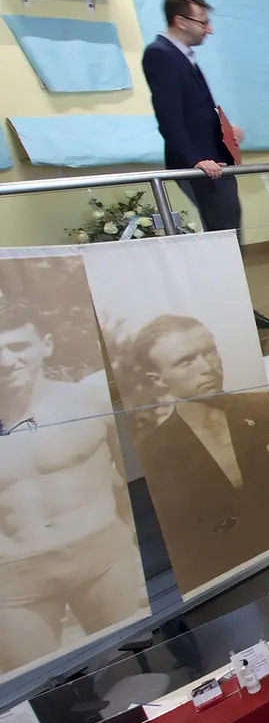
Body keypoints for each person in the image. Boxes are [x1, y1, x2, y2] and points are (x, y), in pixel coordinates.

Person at [0, 287, 147, 672]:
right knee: (40, 690)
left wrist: (132, 545)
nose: (5, 360)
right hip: (13, 582)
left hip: (102, 558)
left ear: (45, 345)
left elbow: (131, 478)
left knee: (130, 670)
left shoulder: (89, 403)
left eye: (18, 346)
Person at [141, 0, 269, 331]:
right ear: (180, 20)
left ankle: (235, 310)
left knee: (229, 239)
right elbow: (169, 118)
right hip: (201, 167)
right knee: (223, 241)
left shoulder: (182, 54)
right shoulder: (160, 54)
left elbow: (195, 111)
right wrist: (195, 160)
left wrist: (225, 130)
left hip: (214, 161)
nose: (209, 29)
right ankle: (229, 315)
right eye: (203, 22)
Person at [132, 314, 269, 592]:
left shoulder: (264, 409)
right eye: (185, 361)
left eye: (209, 352)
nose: (206, 368)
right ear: (156, 379)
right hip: (224, 584)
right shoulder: (155, 450)